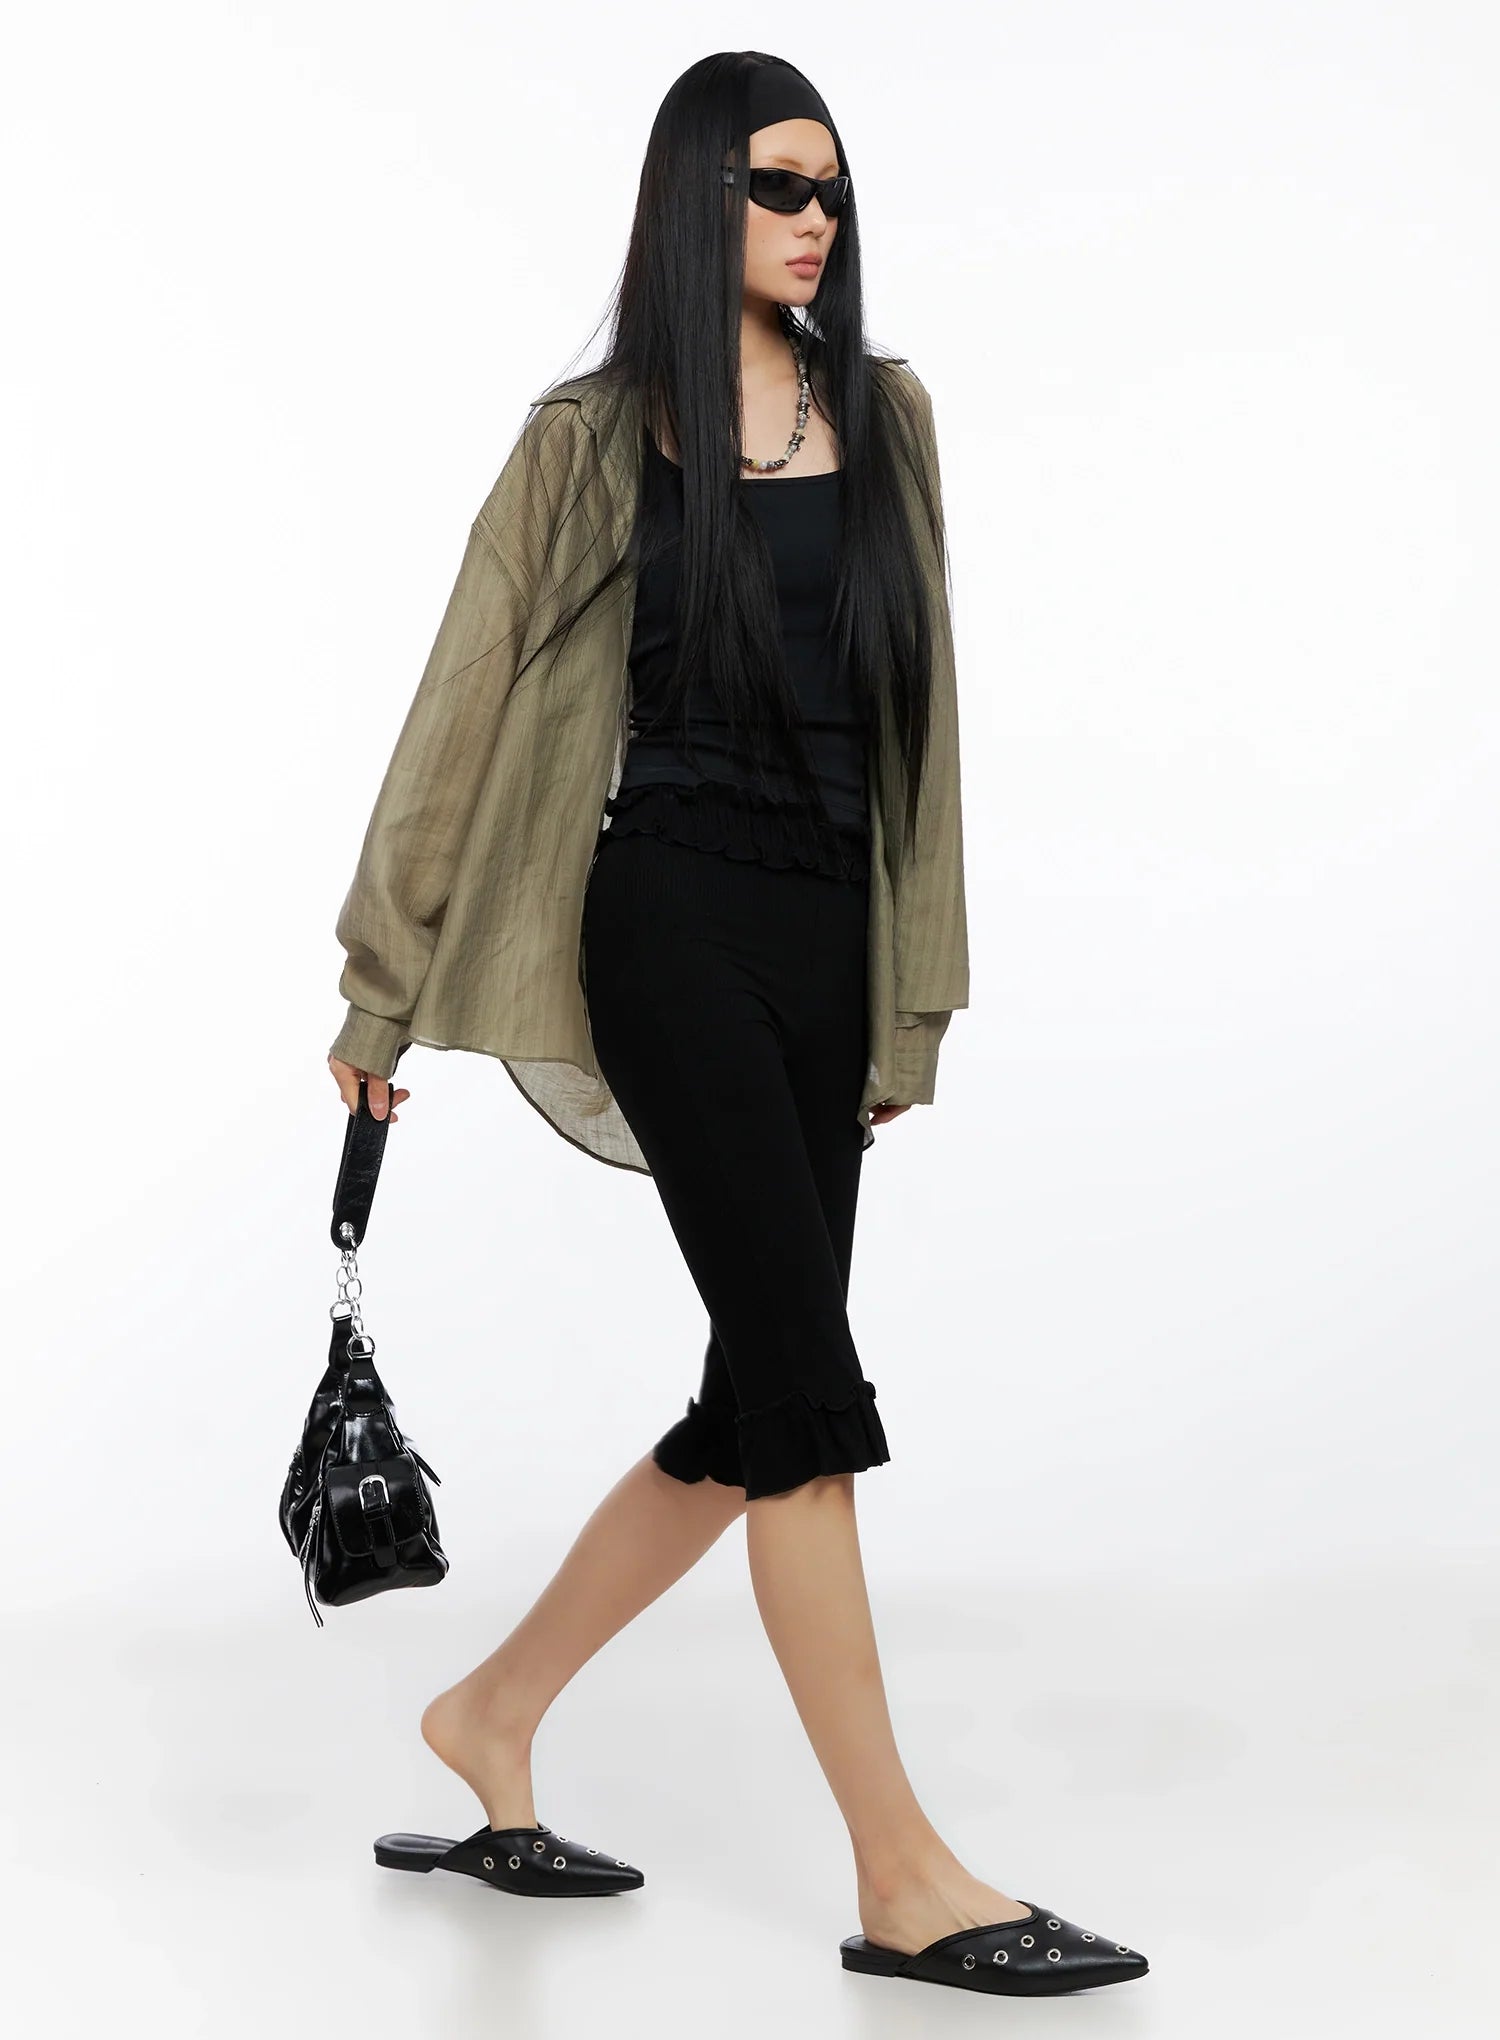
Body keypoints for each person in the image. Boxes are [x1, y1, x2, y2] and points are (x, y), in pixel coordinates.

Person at [326, 50, 1148, 2001]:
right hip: (671, 927)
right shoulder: (592, 442)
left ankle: (491, 1713)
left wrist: (905, 1002)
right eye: (781, 185)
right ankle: (905, 1876)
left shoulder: (887, 416)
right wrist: (383, 986)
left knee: (748, 1405)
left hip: (826, 941)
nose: (816, 221)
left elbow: (918, 733)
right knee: (803, 1403)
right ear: (695, 198)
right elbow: (460, 708)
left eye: (833, 191)